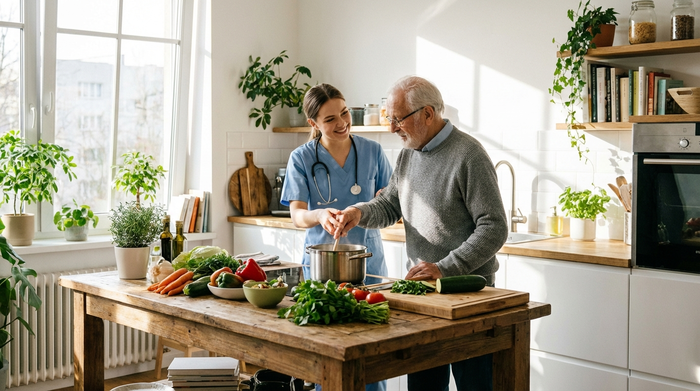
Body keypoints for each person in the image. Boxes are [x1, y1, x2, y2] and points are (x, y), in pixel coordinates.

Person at [333, 76, 509, 391]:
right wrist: (357, 213)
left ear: (427, 114)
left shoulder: (469, 155)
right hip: (423, 294)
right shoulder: (408, 153)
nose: (391, 128)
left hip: (469, 298)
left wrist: (445, 268)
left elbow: (494, 227)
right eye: (390, 118)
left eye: (398, 119)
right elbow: (389, 205)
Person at [280, 83, 392, 391]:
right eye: (330, 119)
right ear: (313, 124)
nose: (342, 123)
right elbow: (297, 214)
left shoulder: (372, 151)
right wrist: (319, 215)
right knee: (326, 354)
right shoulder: (302, 158)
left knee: (371, 353)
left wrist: (365, 207)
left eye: (344, 113)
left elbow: (389, 199)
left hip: (369, 264)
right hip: (323, 265)